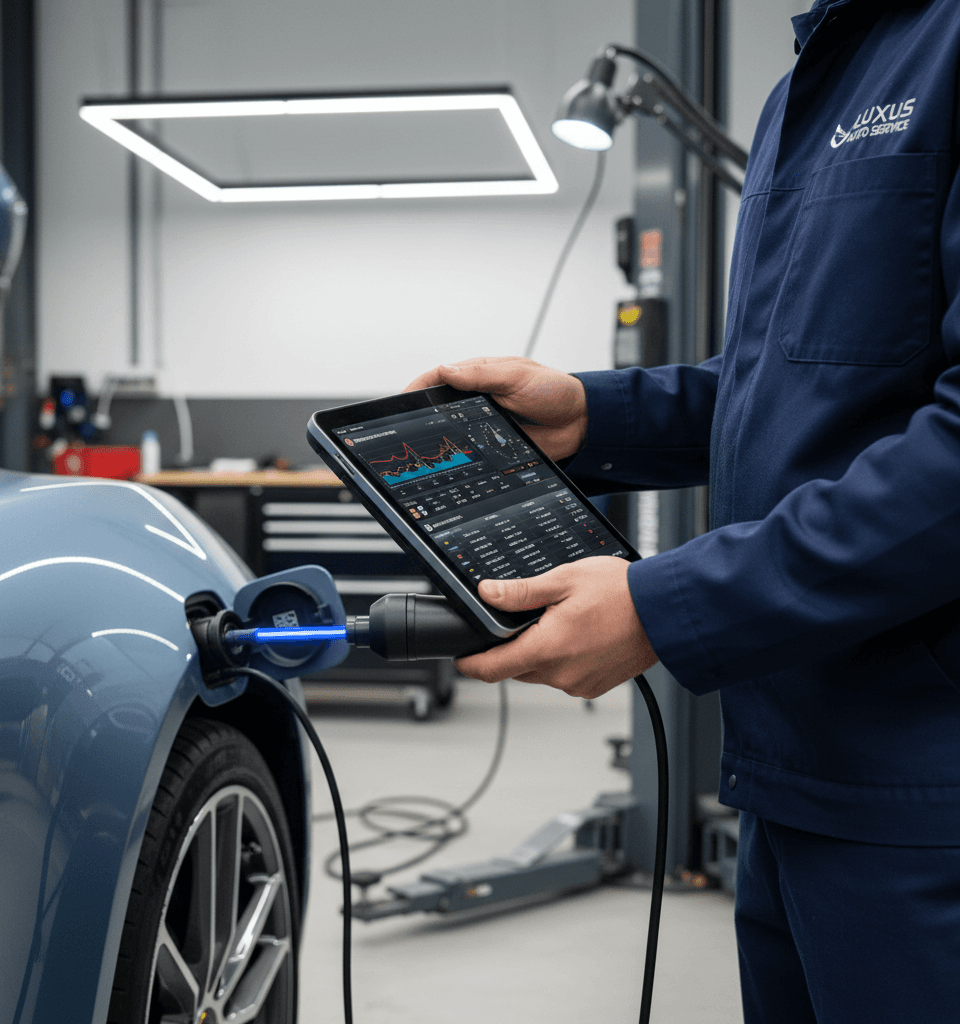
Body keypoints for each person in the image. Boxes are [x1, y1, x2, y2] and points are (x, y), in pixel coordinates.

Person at [406, 1, 960, 1021]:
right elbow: (786, 388)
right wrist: (588, 415)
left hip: (923, 794)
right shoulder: (809, 81)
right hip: (791, 763)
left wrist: (666, 606)